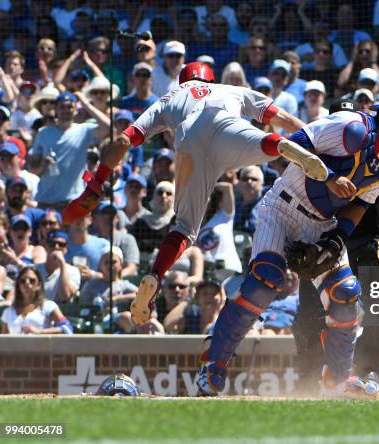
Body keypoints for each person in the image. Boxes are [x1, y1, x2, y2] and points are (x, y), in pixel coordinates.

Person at [63, 62, 328, 325]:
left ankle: (156, 274)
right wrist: (316, 140)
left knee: (185, 227)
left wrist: (97, 183)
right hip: (226, 125)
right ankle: (279, 144)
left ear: (183, 82)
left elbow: (123, 141)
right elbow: (284, 118)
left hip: (189, 142)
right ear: (210, 80)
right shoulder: (230, 89)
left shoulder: (170, 98)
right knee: (266, 143)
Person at [197, 90, 379, 399]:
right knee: (265, 280)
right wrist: (329, 177)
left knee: (345, 293)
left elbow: (359, 205)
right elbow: (296, 144)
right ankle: (213, 363)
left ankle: (340, 378)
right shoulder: (350, 127)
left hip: (322, 223)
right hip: (282, 207)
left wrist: (336, 239)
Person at [28, 91, 109, 210]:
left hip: (73, 202)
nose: (66, 110)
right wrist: (43, 165)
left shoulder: (84, 130)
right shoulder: (43, 133)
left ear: (76, 109)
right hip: (46, 201)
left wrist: (86, 104)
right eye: (62, 107)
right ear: (56, 109)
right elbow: (33, 169)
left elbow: (108, 127)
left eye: (70, 107)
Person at [0, 267, 73, 335]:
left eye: (32, 280)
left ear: (39, 285)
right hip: (16, 348)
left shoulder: (48, 306)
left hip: (42, 348)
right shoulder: (9, 311)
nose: (27, 283)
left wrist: (40, 332)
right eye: (22, 281)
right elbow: (3, 341)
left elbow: (67, 328)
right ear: (18, 285)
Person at [36, 230, 80, 304]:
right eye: (52, 244)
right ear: (46, 246)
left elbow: (65, 296)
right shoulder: (35, 269)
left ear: (66, 249)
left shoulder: (73, 271)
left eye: (61, 244)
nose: (56, 247)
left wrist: (62, 264)